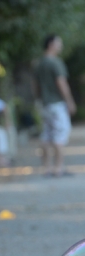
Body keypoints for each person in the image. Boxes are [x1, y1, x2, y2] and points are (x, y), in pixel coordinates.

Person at [34, 35, 76, 177]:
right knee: (59, 135)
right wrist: (70, 101)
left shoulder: (39, 63)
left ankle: (46, 168)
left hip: (44, 104)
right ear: (51, 44)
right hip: (57, 104)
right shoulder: (55, 63)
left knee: (46, 135)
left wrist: (39, 99)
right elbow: (61, 83)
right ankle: (58, 168)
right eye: (59, 43)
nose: (61, 46)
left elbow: (36, 85)